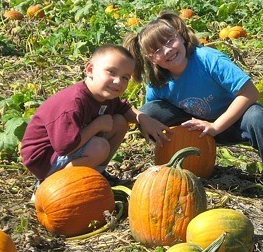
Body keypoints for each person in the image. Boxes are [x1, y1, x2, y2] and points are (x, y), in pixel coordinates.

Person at [123, 12, 263, 212]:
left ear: (180, 35)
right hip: (197, 129)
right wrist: (145, 122)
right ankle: (184, 169)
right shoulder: (158, 81)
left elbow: (250, 92)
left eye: (170, 41)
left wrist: (216, 126)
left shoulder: (207, 59)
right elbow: (153, 114)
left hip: (235, 121)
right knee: (150, 113)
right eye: (158, 50)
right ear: (151, 58)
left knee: (259, 118)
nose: (167, 50)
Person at [21, 44, 169, 186]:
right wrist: (96, 126)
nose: (118, 81)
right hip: (45, 160)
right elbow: (65, 147)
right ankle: (51, 184)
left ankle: (97, 174)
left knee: (119, 122)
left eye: (125, 77)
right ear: (90, 69)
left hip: (64, 149)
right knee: (99, 147)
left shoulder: (104, 96)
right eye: (111, 72)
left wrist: (143, 118)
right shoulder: (73, 103)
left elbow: (123, 108)